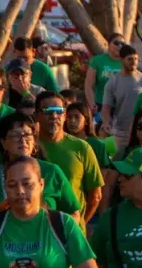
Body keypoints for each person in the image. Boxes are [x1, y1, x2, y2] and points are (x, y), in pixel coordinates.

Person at [0, 113, 81, 219]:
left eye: (27, 134)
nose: (23, 140)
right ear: (3, 142)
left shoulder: (51, 171)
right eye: (15, 135)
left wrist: (54, 230)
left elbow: (74, 214)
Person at [35, 92, 105, 225]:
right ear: (36, 115)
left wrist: (80, 224)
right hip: (39, 230)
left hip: (73, 231)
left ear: (64, 115)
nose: (54, 116)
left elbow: (96, 195)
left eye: (59, 111)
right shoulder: (30, 147)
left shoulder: (82, 147)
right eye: (47, 111)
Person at [102, 45, 142, 149]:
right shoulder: (113, 82)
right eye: (129, 59)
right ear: (122, 60)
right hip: (120, 133)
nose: (133, 62)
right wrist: (106, 122)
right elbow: (106, 107)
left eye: (135, 59)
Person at [85, 34, 126, 116]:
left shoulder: (127, 62)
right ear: (108, 44)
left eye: (123, 44)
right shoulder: (98, 60)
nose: (120, 46)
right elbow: (89, 85)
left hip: (121, 107)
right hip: (101, 105)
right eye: (116, 43)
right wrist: (92, 104)